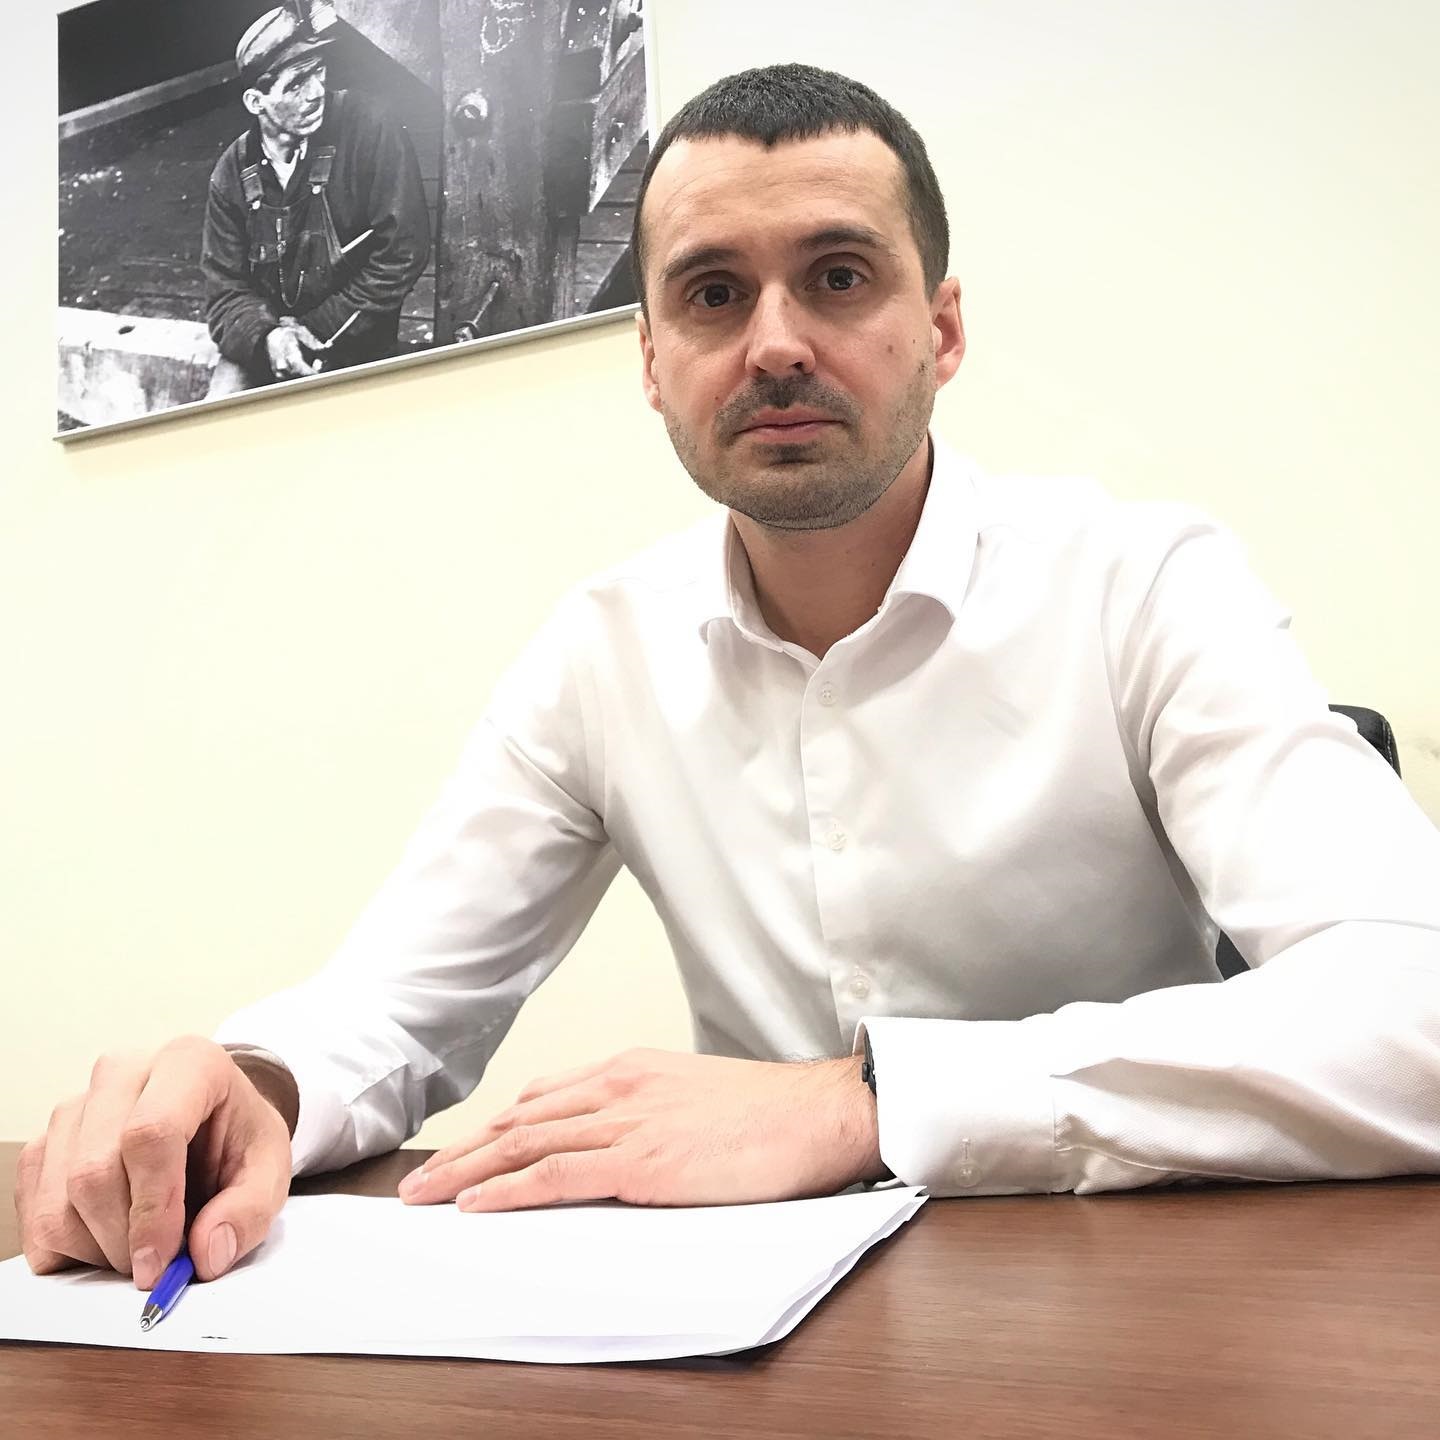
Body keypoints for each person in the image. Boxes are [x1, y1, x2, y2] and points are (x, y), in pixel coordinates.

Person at [16, 64, 1440, 1293]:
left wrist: (861, 1103)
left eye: (839, 277)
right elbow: (392, 1009)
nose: (774, 344)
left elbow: (1412, 1005)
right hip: (747, 1330)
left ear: (942, 330)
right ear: (651, 361)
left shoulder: (1144, 584)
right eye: (712, 294)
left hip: (1139, 1297)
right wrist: (249, 1087)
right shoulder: (602, 651)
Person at [200, 5, 430, 397]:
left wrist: (312, 329)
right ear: (256, 102)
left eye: (318, 71)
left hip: (354, 339)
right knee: (217, 414)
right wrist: (270, 339)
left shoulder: (370, 127)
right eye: (296, 84)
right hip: (268, 344)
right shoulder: (231, 174)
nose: (316, 92)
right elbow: (224, 292)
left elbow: (402, 252)